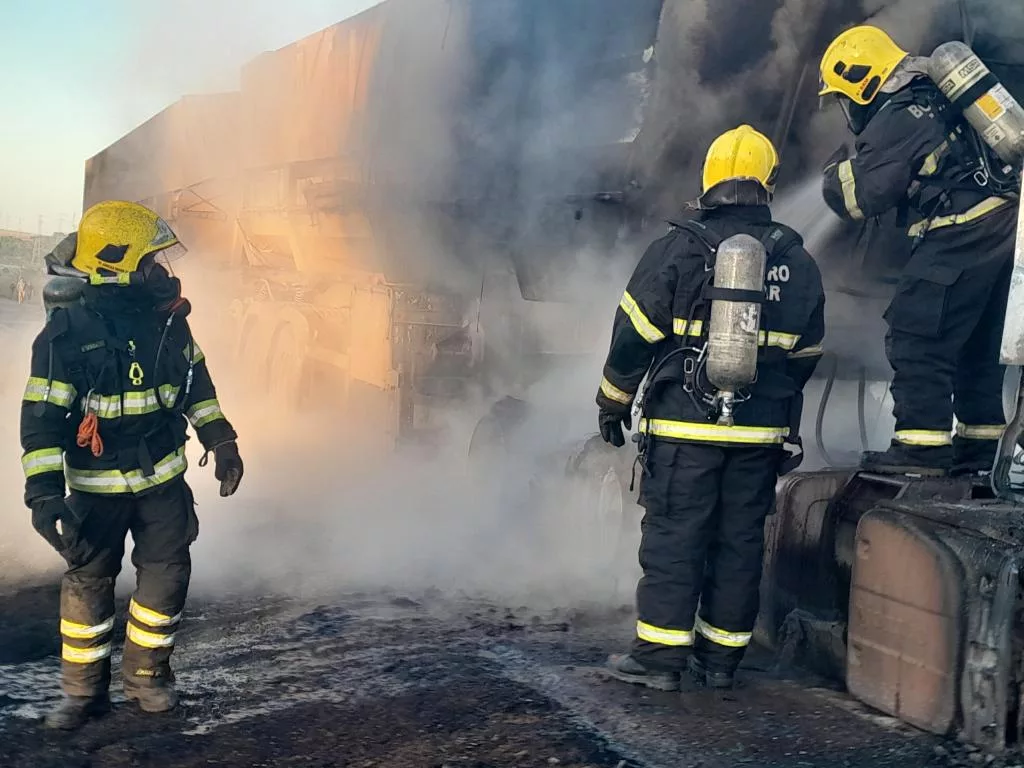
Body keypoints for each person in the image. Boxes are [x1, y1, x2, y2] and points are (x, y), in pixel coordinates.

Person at [596, 125, 825, 691]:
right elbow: (808, 353)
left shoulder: (678, 247)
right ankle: (720, 663)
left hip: (684, 427)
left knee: (676, 538)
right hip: (760, 434)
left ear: (709, 180)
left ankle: (658, 662)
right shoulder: (796, 259)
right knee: (739, 542)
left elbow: (634, 335)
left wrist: (613, 399)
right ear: (769, 183)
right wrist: (768, 400)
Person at [20, 200, 245, 730]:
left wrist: (223, 440)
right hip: (95, 491)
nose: (159, 270)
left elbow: (199, 389)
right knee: (90, 580)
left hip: (163, 482)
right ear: (120, 262)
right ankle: (83, 693)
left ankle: (147, 678)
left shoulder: (169, 324)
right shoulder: (65, 334)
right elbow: (42, 421)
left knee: (166, 578)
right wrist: (44, 494)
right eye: (150, 260)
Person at [819, 25, 1019, 476]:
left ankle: (921, 450)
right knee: (976, 348)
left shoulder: (903, 112)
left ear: (862, 81)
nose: (846, 109)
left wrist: (832, 174)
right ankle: (979, 455)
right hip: (1004, 232)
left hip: (961, 233)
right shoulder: (940, 96)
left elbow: (863, 195)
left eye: (843, 97)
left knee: (916, 337)